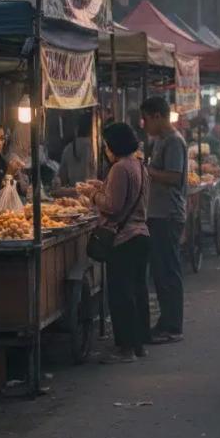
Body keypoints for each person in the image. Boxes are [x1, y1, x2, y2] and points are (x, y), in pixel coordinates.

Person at [80, 123, 150, 363]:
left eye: (106, 145)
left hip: (124, 238)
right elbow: (129, 196)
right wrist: (101, 187)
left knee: (122, 294)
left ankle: (127, 348)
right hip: (141, 235)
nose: (105, 150)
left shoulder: (120, 168)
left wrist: (92, 195)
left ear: (114, 145)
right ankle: (140, 345)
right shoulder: (139, 164)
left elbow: (113, 205)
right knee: (138, 291)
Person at [140, 97, 187, 344]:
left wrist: (146, 170)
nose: (144, 125)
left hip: (168, 214)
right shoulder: (160, 141)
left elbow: (173, 177)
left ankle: (173, 326)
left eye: (145, 119)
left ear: (157, 116)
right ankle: (166, 322)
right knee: (160, 271)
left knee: (168, 270)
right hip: (157, 213)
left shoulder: (173, 142)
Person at [59, 111, 96, 186]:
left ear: (77, 128)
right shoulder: (95, 149)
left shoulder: (68, 148)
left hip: (73, 191)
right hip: (91, 191)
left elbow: (62, 176)